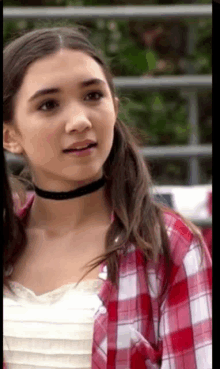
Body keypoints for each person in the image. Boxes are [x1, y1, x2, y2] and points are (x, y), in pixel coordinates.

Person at [3, 26, 212, 369]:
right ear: (10, 136)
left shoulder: (170, 246)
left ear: (114, 109)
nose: (80, 120)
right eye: (49, 104)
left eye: (93, 96)